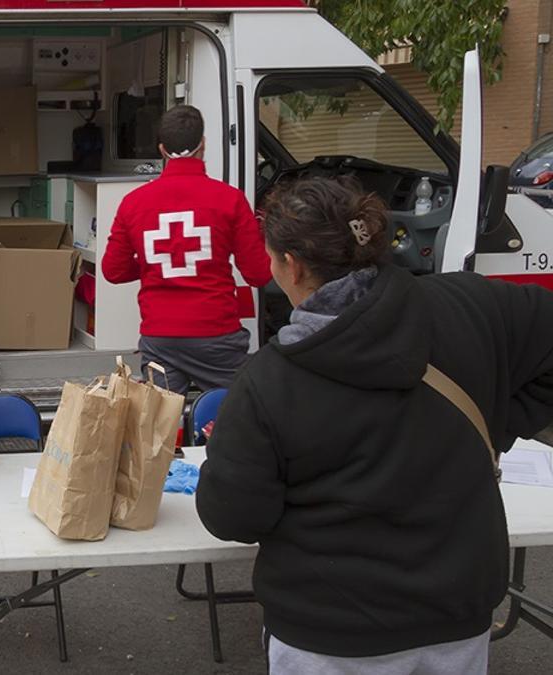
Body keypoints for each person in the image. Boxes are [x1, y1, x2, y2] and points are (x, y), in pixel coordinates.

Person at [196, 177, 553, 674]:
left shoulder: (269, 382)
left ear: (291, 266)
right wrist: (499, 421)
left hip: (330, 633)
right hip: (456, 619)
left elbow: (233, 517)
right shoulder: (474, 304)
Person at [101, 104, 271, 393]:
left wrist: (153, 264)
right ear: (203, 144)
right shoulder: (230, 200)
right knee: (232, 420)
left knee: (158, 430)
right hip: (217, 335)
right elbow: (258, 274)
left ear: (162, 149)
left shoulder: (134, 203)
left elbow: (113, 270)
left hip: (160, 338)